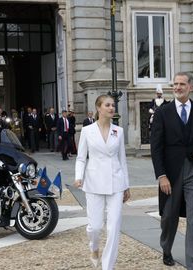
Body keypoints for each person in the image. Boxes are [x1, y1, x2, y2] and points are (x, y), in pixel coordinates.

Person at [150, 72, 193, 270]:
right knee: (169, 216)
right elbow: (156, 147)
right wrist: (161, 176)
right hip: (170, 174)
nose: (177, 87)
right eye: (175, 84)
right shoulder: (163, 112)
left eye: (182, 84)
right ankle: (166, 248)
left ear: (190, 87)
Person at [74, 94, 131, 269]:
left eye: (113, 105)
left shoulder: (118, 131)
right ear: (99, 108)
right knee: (95, 227)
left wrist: (126, 186)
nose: (111, 108)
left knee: (114, 228)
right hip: (94, 182)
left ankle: (108, 266)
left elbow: (122, 160)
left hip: (116, 183)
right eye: (108, 105)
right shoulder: (87, 131)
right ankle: (94, 246)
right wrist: (79, 176)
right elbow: (81, 157)